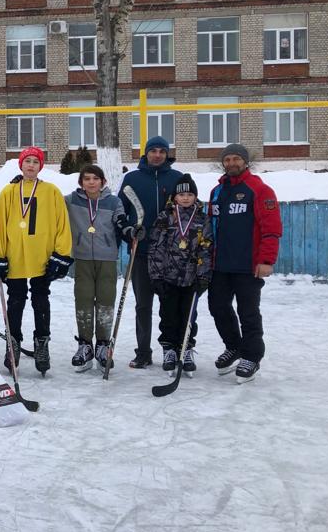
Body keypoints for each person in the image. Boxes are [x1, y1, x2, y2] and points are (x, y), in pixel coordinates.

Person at [0, 146, 72, 376]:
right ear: (21, 165)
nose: (31, 165)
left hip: (41, 257)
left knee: (41, 301)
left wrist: (61, 253)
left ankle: (42, 343)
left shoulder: (51, 191)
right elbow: (1, 226)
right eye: (28, 161)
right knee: (15, 302)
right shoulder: (8, 192)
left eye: (36, 161)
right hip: (15, 257)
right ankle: (12, 343)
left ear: (40, 166)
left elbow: (62, 224)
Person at [207, 144, 282, 383]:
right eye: (227, 159)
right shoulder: (217, 191)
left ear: (245, 162)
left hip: (248, 266)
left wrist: (267, 260)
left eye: (236, 159)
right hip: (219, 266)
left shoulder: (260, 189)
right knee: (218, 307)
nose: (231, 163)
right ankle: (234, 346)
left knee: (248, 313)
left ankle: (251, 356)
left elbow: (271, 229)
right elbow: (210, 228)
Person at [65, 165, 141, 372]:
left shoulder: (113, 201)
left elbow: (121, 221)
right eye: (86, 178)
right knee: (84, 300)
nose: (91, 182)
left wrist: (131, 232)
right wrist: (25, 184)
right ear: (81, 182)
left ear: (103, 181)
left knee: (106, 301)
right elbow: (50, 203)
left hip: (107, 258)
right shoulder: (71, 200)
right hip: (82, 258)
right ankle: (85, 345)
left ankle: (103, 345)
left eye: (95, 178)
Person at [116, 135, 183, 369]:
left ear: (167, 154)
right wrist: (128, 232)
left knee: (170, 305)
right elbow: (119, 212)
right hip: (141, 252)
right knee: (143, 305)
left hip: (170, 255)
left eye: (161, 151)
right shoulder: (132, 179)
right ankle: (143, 352)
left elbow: (189, 210)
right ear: (145, 153)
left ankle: (171, 349)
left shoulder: (178, 179)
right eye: (153, 151)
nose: (157, 155)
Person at [148, 174, 212, 377]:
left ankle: (186, 349)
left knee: (188, 315)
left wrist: (203, 275)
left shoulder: (202, 218)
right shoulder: (165, 217)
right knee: (168, 315)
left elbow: (206, 248)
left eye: (189, 194)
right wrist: (156, 275)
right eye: (181, 194)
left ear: (195, 196)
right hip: (168, 277)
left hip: (191, 277)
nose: (185, 198)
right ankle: (169, 350)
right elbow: (155, 248)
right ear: (175, 197)